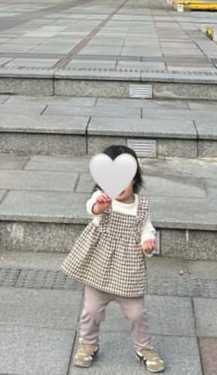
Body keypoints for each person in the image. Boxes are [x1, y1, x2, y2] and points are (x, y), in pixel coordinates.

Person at [62, 145, 164, 372]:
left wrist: (147, 242)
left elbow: (147, 229)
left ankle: (144, 348)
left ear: (134, 178)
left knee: (137, 314)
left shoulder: (141, 206)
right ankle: (88, 344)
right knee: (91, 311)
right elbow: (91, 208)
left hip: (128, 271)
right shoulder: (103, 199)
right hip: (98, 268)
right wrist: (99, 206)